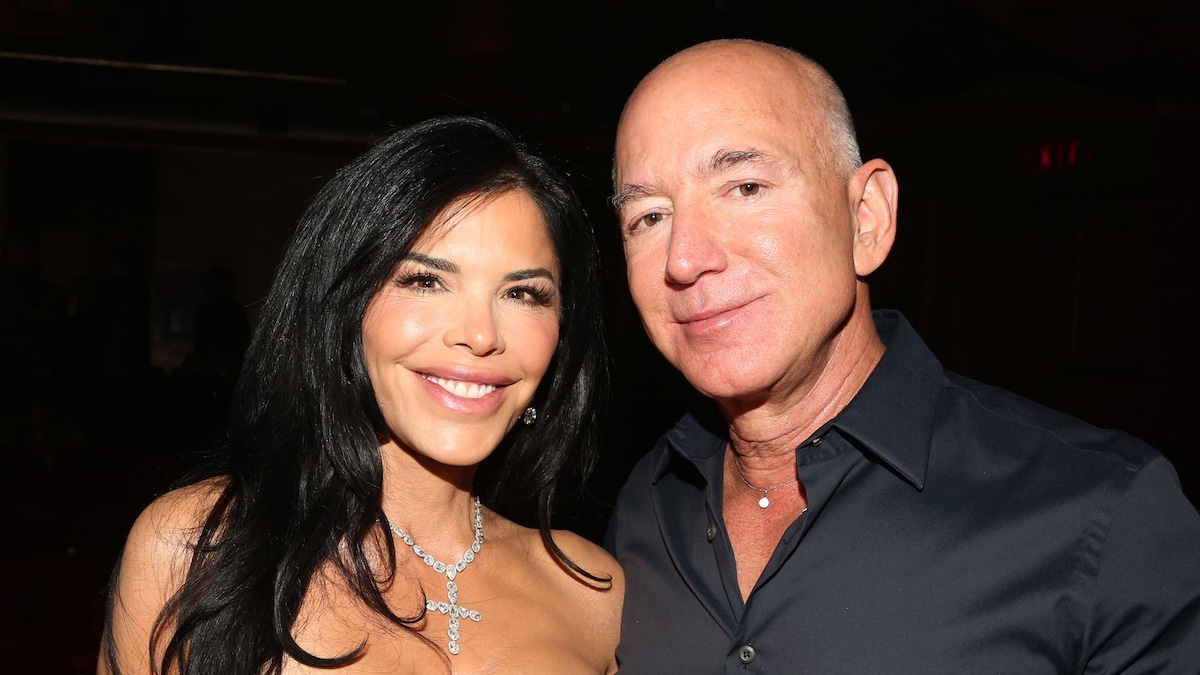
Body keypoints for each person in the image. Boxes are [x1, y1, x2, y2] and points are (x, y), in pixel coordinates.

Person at [603, 38, 1200, 674]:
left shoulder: (1101, 514)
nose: (685, 258)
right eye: (649, 217)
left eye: (745, 187)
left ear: (867, 218)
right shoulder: (644, 506)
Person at [100, 115, 623, 674]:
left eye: (522, 293)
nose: (480, 335)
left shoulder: (594, 592)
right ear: (346, 308)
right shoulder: (198, 548)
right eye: (425, 281)